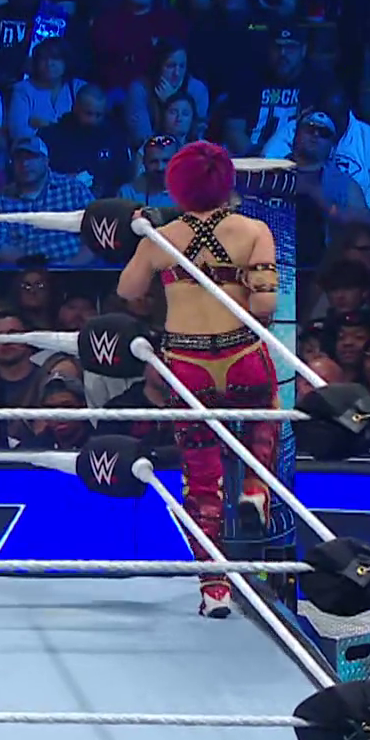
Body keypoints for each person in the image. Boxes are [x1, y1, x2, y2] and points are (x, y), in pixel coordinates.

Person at [116, 141, 279, 620]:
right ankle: (255, 489)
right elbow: (266, 305)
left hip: (188, 363)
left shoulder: (161, 238)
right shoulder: (254, 231)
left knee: (202, 477)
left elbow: (128, 290)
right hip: (241, 352)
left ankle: (214, 589)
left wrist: (152, 241)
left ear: (177, 186)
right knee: (264, 415)